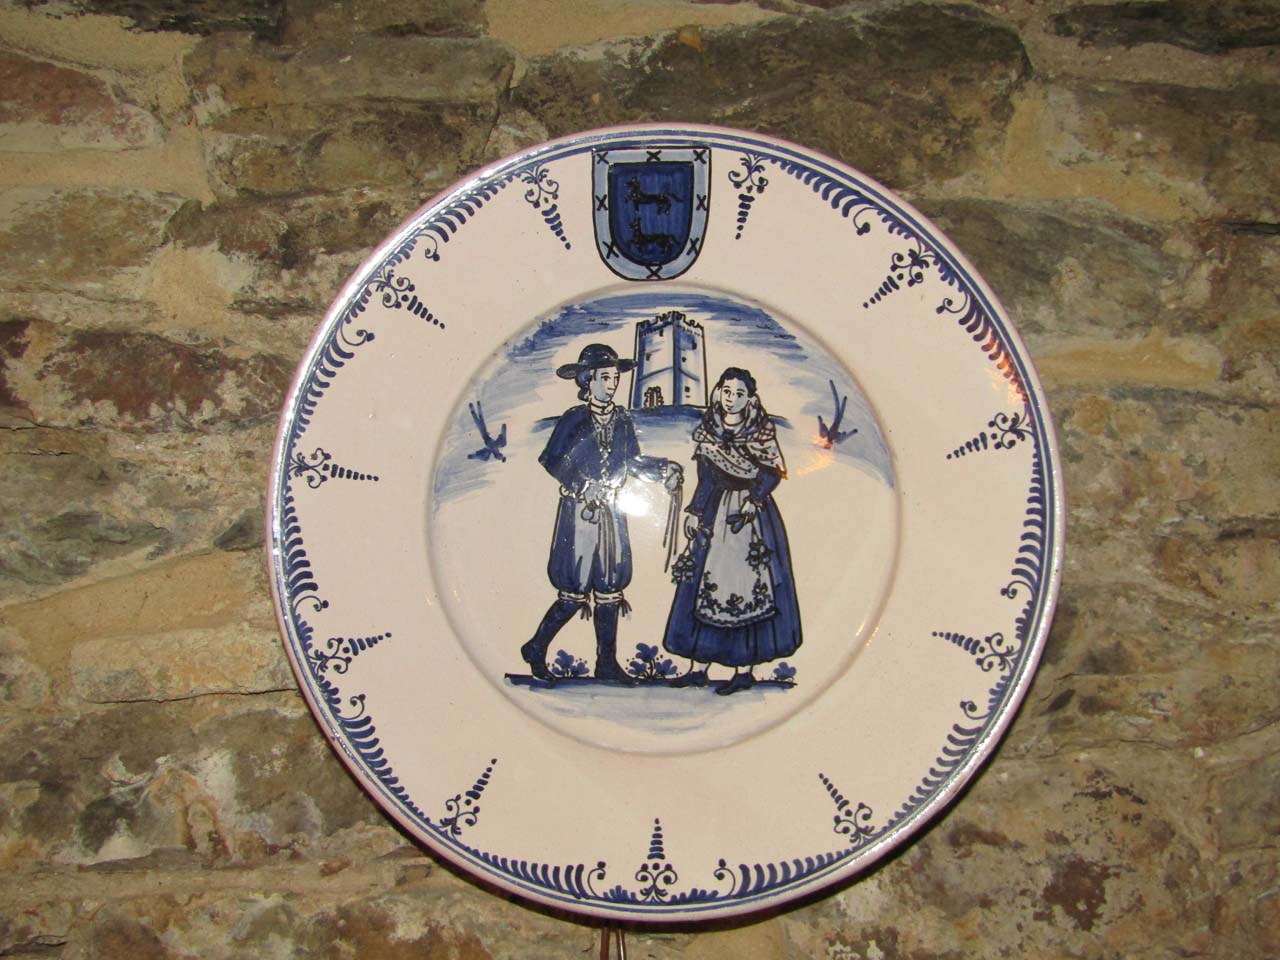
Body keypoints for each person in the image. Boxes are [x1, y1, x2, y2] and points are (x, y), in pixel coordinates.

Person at [520, 343, 683, 683]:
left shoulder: (622, 418)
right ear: (588, 381)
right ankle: (536, 647)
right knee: (574, 588)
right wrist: (582, 484)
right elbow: (552, 460)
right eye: (605, 378)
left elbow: (632, 461)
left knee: (610, 588)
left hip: (612, 511)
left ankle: (606, 662)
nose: (612, 384)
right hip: (580, 511)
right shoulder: (574, 418)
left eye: (615, 378)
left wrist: (663, 469)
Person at [663, 367, 801, 694]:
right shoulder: (708, 431)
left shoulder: (759, 432)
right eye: (727, 391)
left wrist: (754, 499)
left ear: (750, 398)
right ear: (718, 392)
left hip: (750, 516)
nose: (731, 399)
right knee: (703, 586)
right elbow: (705, 480)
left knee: (748, 585)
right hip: (715, 512)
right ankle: (698, 668)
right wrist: (695, 512)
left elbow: (772, 473)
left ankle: (743, 670)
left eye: (739, 393)